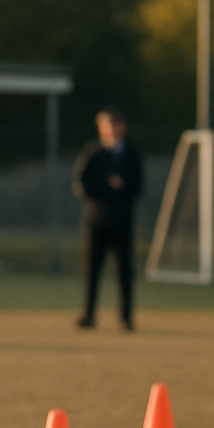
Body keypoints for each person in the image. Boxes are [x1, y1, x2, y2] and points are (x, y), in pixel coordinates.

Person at [72, 108, 143, 331]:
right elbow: (82, 184)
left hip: (122, 221)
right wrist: (107, 184)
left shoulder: (132, 154)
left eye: (116, 124)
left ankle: (126, 317)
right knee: (92, 270)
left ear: (123, 126)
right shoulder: (92, 153)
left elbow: (138, 185)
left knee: (124, 271)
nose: (112, 129)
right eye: (107, 124)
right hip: (96, 221)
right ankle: (89, 314)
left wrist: (122, 186)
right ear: (100, 128)